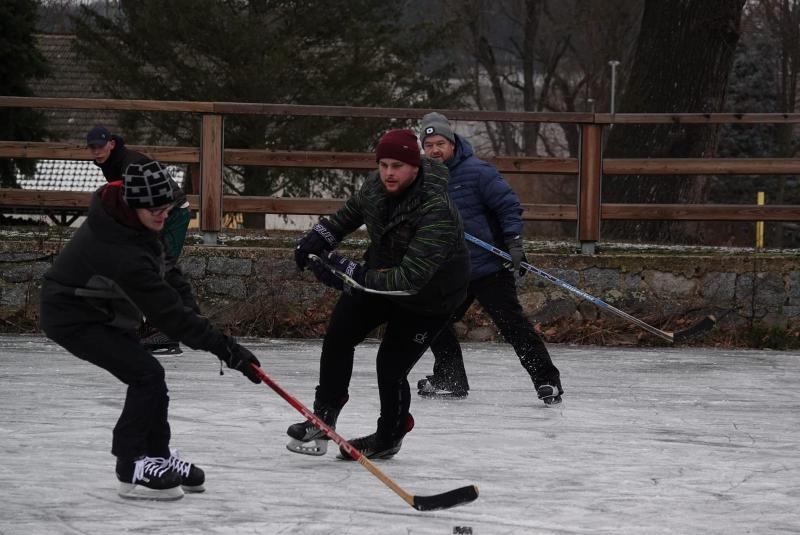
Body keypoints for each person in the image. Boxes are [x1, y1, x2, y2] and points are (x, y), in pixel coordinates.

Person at [40, 159, 262, 501]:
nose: (162, 216)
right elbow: (168, 313)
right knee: (146, 376)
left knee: (151, 377)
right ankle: (129, 466)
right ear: (135, 204)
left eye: (167, 208)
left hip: (105, 310)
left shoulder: (136, 223)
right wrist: (226, 349)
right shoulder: (119, 249)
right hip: (71, 316)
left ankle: (158, 455)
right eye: (155, 209)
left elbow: (170, 275)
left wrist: (199, 319)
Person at [286, 129, 470, 460]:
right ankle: (325, 413)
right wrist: (318, 238)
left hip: (430, 295)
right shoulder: (376, 185)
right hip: (380, 274)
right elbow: (347, 216)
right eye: (383, 164)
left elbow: (410, 278)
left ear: (415, 166)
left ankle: (389, 435)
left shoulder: (435, 208)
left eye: (397, 165)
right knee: (340, 332)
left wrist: (347, 271)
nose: (388, 173)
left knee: (390, 365)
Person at [415, 112, 564, 406]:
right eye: (429, 144)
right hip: (451, 271)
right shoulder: (423, 180)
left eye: (440, 143)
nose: (435, 150)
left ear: (453, 143)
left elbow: (508, 206)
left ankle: (547, 381)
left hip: (488, 267)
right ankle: (450, 377)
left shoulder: (478, 172)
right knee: (431, 318)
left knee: (513, 325)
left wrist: (514, 242)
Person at [86, 125, 192, 355]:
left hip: (173, 214)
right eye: (92, 147)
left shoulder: (129, 164)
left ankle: (166, 333)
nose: (96, 151)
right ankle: (148, 327)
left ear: (111, 144)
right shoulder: (110, 164)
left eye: (100, 146)